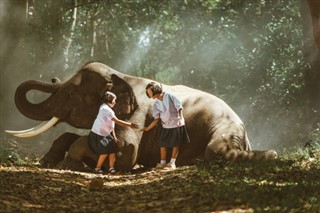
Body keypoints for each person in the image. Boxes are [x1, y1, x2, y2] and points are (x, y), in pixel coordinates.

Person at [141, 81, 190, 170]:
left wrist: (179, 118)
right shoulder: (156, 104)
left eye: (150, 92)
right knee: (162, 144)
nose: (149, 94)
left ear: (156, 90)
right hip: (166, 126)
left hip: (176, 124)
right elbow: (156, 119)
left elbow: (179, 107)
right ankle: (163, 162)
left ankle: (172, 163)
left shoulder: (170, 96)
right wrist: (147, 128)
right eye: (148, 93)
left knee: (175, 144)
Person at [88, 91, 139, 174]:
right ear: (110, 100)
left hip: (105, 134)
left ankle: (111, 168)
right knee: (105, 151)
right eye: (114, 100)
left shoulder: (105, 108)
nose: (115, 102)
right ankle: (97, 168)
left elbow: (112, 125)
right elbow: (117, 121)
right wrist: (130, 125)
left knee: (112, 150)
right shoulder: (106, 110)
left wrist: (114, 137)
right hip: (99, 135)